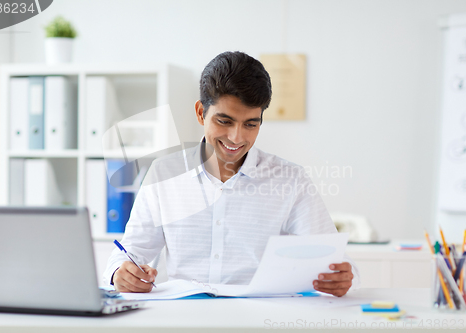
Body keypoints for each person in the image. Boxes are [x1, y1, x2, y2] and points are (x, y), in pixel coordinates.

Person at [104, 51, 360, 297]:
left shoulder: (290, 179)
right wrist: (120, 273)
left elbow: (335, 261)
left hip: (260, 320)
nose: (237, 137)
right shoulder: (164, 173)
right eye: (224, 121)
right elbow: (128, 255)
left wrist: (342, 278)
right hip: (185, 318)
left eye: (251, 124)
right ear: (201, 113)